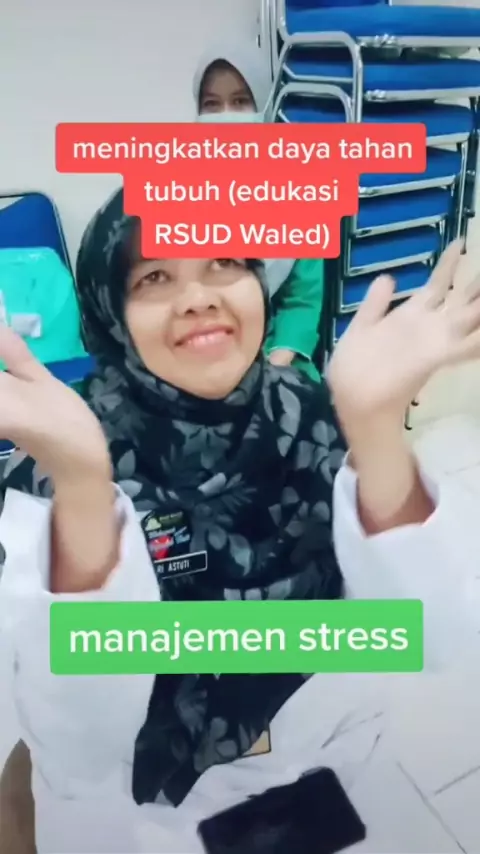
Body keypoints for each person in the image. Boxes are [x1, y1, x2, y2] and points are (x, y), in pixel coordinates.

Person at [0, 188, 480, 853]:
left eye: (224, 262)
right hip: (143, 809)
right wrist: (83, 489)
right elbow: (80, 742)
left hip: (325, 750)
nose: (198, 297)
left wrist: (375, 431)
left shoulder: (316, 413)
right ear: (109, 309)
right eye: (155, 277)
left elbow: (435, 638)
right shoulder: (64, 453)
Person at [193, 43, 324, 380]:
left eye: (240, 102)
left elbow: (301, 301)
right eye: (212, 105)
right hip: (201, 357)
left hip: (277, 358)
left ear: (266, 106)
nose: (226, 115)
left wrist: (273, 367)